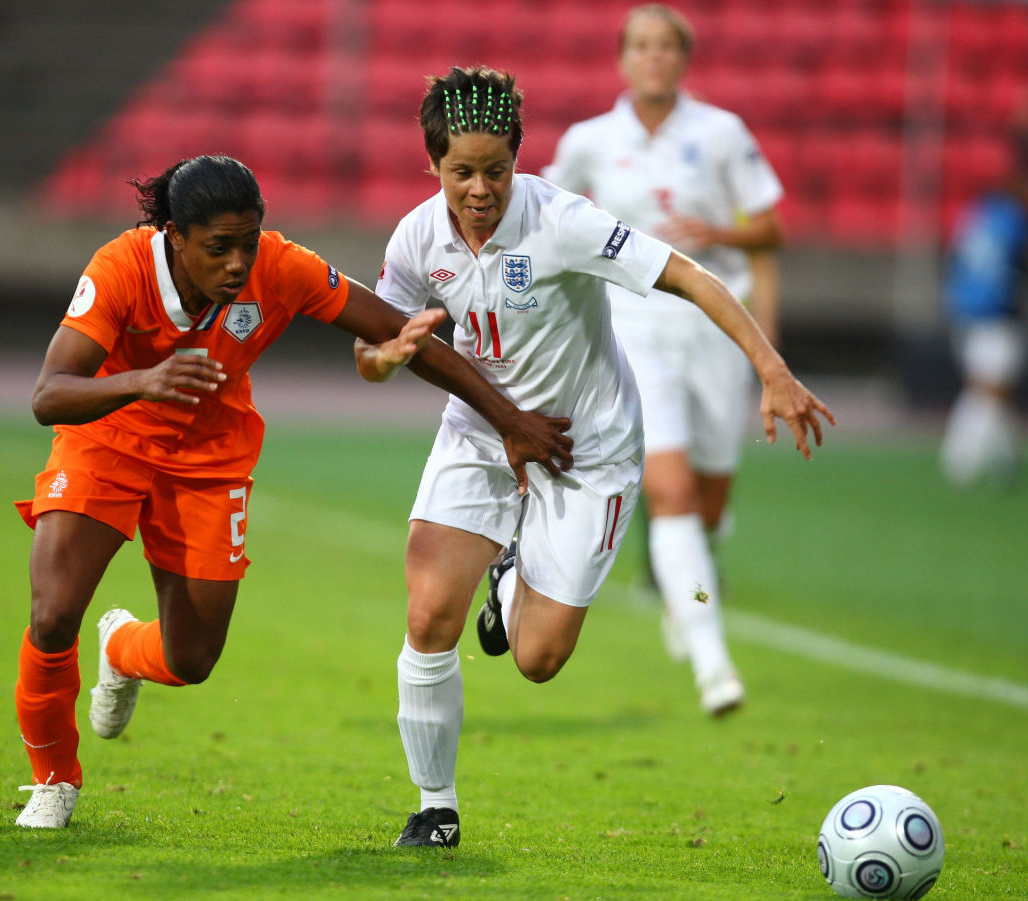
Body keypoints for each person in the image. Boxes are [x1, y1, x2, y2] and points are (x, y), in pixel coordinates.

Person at [11, 154, 574, 829]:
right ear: (174, 236)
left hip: (211, 456)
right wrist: (141, 380)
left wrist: (509, 419)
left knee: (191, 659)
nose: (237, 264)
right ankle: (53, 779)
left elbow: (398, 333)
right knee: (52, 614)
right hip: (109, 436)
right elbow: (50, 396)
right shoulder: (121, 268)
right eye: (218, 248)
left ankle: (122, 649)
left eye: (248, 243)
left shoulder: (279, 268)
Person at [355, 66, 833, 847]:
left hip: (587, 446)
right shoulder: (416, 238)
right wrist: (382, 360)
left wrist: (771, 368)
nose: (480, 189)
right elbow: (372, 350)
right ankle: (435, 807)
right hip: (481, 431)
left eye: (496, 169)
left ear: (518, 154)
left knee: (538, 660)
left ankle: (511, 579)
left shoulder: (562, 221)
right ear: (432, 164)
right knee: (427, 615)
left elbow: (687, 274)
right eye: (461, 171)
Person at [541, 4, 784, 714]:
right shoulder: (590, 141)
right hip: (635, 322)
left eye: (665, 47)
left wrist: (717, 231)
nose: (653, 58)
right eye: (640, 46)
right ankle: (714, 666)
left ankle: (686, 582)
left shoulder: (721, 133)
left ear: (684, 58)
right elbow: (549, 210)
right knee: (671, 490)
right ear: (622, 59)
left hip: (713, 320)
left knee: (707, 504)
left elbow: (770, 224)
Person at [938, 166, 1028, 488]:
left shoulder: (974, 216)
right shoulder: (1014, 221)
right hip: (997, 314)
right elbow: (1021, 266)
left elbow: (955, 259)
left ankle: (1006, 462)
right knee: (989, 391)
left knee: (995, 392)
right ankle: (960, 460)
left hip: (965, 312)